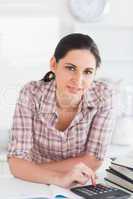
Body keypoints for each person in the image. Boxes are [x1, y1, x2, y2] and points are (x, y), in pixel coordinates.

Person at [8, 33, 116, 188]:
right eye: (71, 68)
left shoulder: (104, 96)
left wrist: (28, 169)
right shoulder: (31, 93)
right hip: (34, 185)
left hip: (79, 183)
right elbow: (16, 163)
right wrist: (58, 178)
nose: (78, 80)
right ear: (53, 64)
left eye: (87, 72)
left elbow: (94, 160)